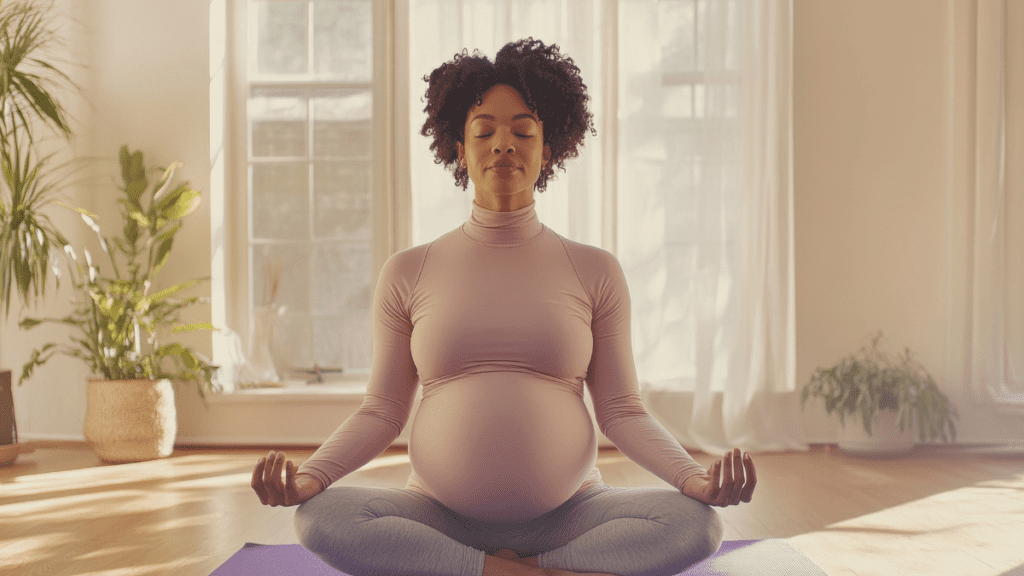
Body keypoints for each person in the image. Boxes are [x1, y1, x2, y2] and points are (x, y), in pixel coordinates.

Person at [251, 38, 757, 576]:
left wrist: (692, 480)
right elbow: (381, 411)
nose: (503, 145)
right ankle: (531, 572)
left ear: (549, 147)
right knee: (320, 517)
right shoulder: (408, 271)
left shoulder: (595, 270)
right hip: (436, 513)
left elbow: (621, 412)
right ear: (458, 146)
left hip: (572, 513)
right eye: (484, 130)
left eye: (523, 130)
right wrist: (312, 477)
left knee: (697, 525)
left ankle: (483, 569)